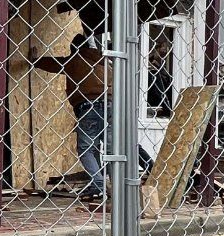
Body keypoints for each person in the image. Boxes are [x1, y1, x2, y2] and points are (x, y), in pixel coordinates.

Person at [29, 33, 153, 200]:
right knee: (115, 149)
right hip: (112, 106)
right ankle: (126, 186)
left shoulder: (74, 61)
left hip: (88, 106)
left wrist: (35, 60)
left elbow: (53, 63)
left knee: (86, 149)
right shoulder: (106, 61)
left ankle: (99, 185)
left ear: (74, 49)